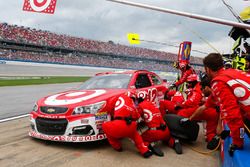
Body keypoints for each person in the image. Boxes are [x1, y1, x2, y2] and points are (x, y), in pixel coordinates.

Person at [202, 53, 250, 156]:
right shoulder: (233, 71)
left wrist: (238, 142)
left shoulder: (218, 82)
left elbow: (233, 116)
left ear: (208, 69)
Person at [174, 74, 219, 149]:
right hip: (215, 114)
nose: (201, 90)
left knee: (182, 113)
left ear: (207, 87)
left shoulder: (198, 89)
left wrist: (189, 118)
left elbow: (194, 103)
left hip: (215, 113)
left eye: (202, 89)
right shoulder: (215, 92)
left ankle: (181, 135)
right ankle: (213, 139)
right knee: (210, 135)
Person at [102, 91, 152, 158]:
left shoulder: (119, 97)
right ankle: (145, 151)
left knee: (104, 125)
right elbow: (137, 116)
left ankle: (117, 147)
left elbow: (109, 106)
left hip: (118, 125)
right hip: (131, 125)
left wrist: (113, 113)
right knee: (135, 135)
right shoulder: (134, 105)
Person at [137, 91, 182, 156]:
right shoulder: (153, 104)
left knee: (139, 139)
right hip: (165, 130)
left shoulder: (140, 106)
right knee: (166, 138)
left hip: (154, 133)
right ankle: (174, 141)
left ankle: (151, 145)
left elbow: (135, 117)